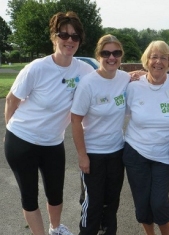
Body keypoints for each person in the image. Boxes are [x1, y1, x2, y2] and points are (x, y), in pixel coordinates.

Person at [4, 11, 94, 235]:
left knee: (55, 193)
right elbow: (11, 100)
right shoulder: (37, 68)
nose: (69, 40)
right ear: (54, 38)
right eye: (64, 35)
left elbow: (106, 79)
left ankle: (55, 228)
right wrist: (10, 132)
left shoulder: (84, 70)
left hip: (53, 143)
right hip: (22, 140)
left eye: (75, 36)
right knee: (29, 195)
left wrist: (137, 76)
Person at [122, 40, 169, 235]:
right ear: (146, 60)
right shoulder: (133, 87)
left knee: (159, 203)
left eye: (164, 57)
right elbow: (113, 106)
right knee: (142, 203)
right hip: (135, 152)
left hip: (164, 155)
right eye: (154, 57)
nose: (158, 61)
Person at [71, 34, 129, 235]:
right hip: (93, 154)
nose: (111, 57)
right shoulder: (88, 83)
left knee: (112, 203)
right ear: (99, 55)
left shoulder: (125, 78)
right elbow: (75, 120)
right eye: (106, 53)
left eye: (116, 53)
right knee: (93, 203)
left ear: (121, 56)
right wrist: (82, 155)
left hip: (116, 152)